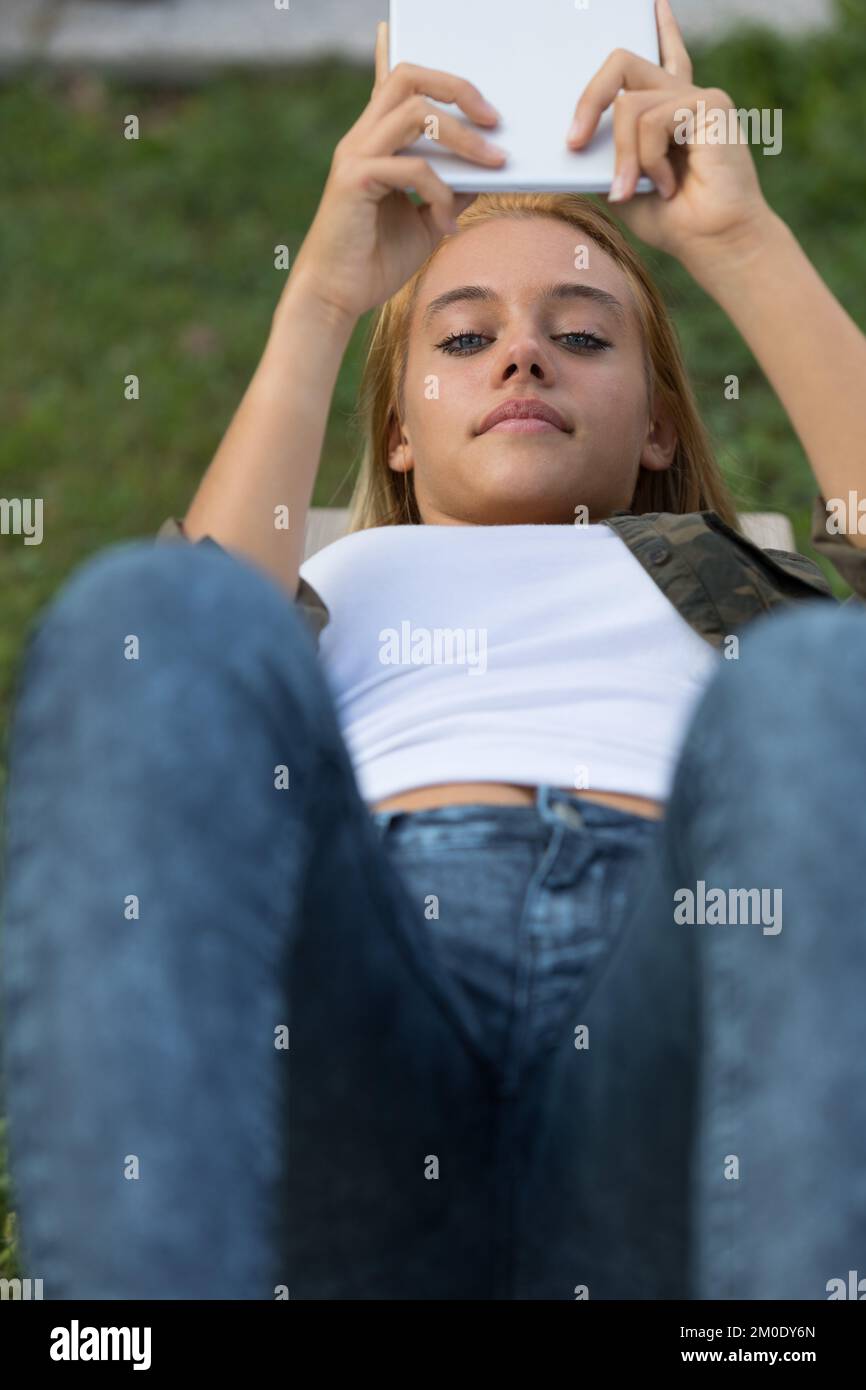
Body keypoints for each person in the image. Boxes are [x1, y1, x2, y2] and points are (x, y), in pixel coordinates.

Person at [2, 0, 865, 1299]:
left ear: (651, 423)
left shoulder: (740, 589)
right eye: (462, 338)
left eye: (580, 333)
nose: (522, 347)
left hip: (670, 1031)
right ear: (397, 429)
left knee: (817, 678)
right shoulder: (323, 578)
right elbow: (160, 685)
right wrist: (328, 289)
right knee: (153, 608)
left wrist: (737, 239)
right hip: (360, 1032)